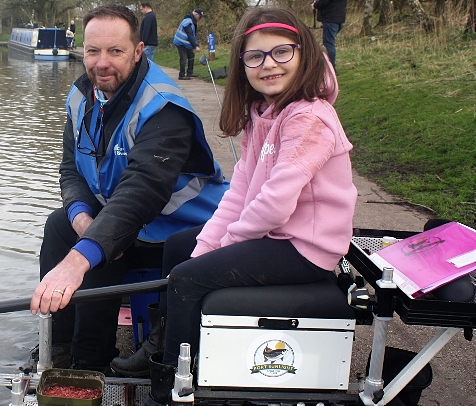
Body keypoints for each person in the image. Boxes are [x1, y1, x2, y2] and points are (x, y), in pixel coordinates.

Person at [143, 8, 358, 405]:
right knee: (179, 248)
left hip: (307, 247)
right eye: (255, 56)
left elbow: (274, 205)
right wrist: (208, 245)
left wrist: (225, 246)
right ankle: (164, 337)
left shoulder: (310, 118)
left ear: (304, 53)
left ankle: (175, 381)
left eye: (281, 52)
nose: (269, 65)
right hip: (278, 236)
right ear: (242, 64)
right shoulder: (261, 113)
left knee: (189, 279)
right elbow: (239, 193)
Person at [28, 4, 229, 375]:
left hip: (179, 234)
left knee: (98, 253)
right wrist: (81, 216)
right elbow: (71, 169)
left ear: (138, 52)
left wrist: (82, 255)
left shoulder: (164, 108)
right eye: (92, 51)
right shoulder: (80, 97)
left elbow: (141, 193)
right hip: (131, 221)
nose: (101, 63)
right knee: (61, 226)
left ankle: (89, 365)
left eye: (115, 51)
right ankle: (56, 346)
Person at [312, 0, 347, 70]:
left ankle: (330, 67)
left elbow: (324, 2)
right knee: (330, 43)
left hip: (331, 19)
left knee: (329, 44)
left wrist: (315, 4)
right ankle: (330, 65)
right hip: (338, 19)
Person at [173, 8, 204, 80]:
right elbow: (190, 35)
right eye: (199, 16)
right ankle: (181, 75)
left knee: (191, 55)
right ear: (196, 14)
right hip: (180, 42)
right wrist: (195, 46)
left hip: (185, 43)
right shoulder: (188, 22)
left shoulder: (191, 21)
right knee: (183, 58)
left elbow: (192, 35)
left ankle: (190, 72)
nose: (199, 18)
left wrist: (195, 44)